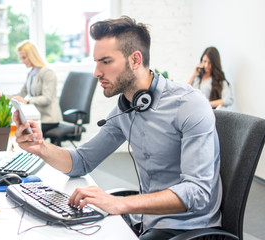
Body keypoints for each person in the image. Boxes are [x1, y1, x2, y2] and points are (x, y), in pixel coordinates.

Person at [13, 16, 222, 240]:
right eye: (96, 62)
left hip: (189, 227)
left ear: (135, 60)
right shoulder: (127, 109)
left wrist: (118, 203)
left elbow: (198, 193)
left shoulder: (188, 105)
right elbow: (81, 161)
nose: (96, 72)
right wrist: (41, 147)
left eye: (106, 61)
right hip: (147, 219)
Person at [0, 40, 63, 134]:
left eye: (24, 57)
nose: (22, 61)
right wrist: (2, 96)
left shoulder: (48, 73)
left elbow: (47, 98)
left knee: (20, 130)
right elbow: (21, 94)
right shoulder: (31, 73)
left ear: (32, 56)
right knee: (16, 126)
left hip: (48, 119)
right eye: (21, 58)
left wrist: (27, 101)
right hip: (37, 116)